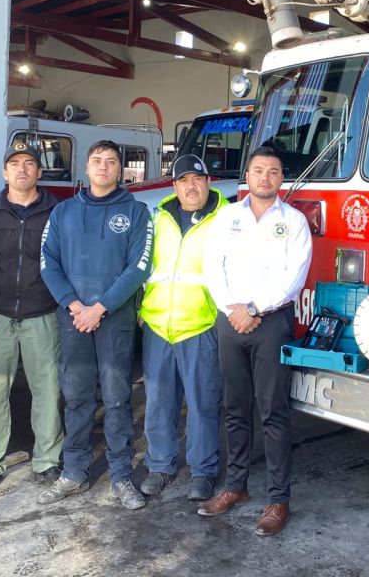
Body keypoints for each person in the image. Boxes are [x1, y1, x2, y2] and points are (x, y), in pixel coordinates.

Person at [200, 146, 312, 537]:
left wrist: (253, 308)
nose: (265, 177)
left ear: (282, 179)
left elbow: (293, 279)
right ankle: (235, 487)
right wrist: (232, 309)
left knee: (273, 412)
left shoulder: (295, 222)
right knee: (234, 409)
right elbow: (212, 267)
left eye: (274, 172)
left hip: (271, 322)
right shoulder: (227, 217)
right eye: (258, 170)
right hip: (230, 320)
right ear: (245, 177)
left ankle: (278, 499)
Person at [38, 140, 153, 510]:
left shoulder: (136, 212)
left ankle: (121, 475)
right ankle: (74, 472)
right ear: (86, 168)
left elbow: (140, 266)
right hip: (73, 319)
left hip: (114, 319)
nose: (103, 166)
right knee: (77, 397)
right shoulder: (63, 213)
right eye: (97, 161)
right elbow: (48, 264)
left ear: (120, 170)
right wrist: (75, 305)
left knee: (118, 398)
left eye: (111, 162)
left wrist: (100, 307)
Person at [0, 142, 63, 500]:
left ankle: (48, 459)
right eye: (14, 163)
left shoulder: (58, 211)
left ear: (39, 172)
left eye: (29, 163)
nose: (22, 169)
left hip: (44, 314)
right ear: (4, 173)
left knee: (48, 388)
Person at [138, 154, 226, 502]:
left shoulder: (225, 220)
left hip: (200, 327)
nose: (191, 186)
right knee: (159, 403)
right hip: (158, 326)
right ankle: (160, 466)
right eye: (183, 180)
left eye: (197, 179)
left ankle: (203, 472)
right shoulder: (156, 219)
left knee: (203, 404)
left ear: (208, 182)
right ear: (173, 186)